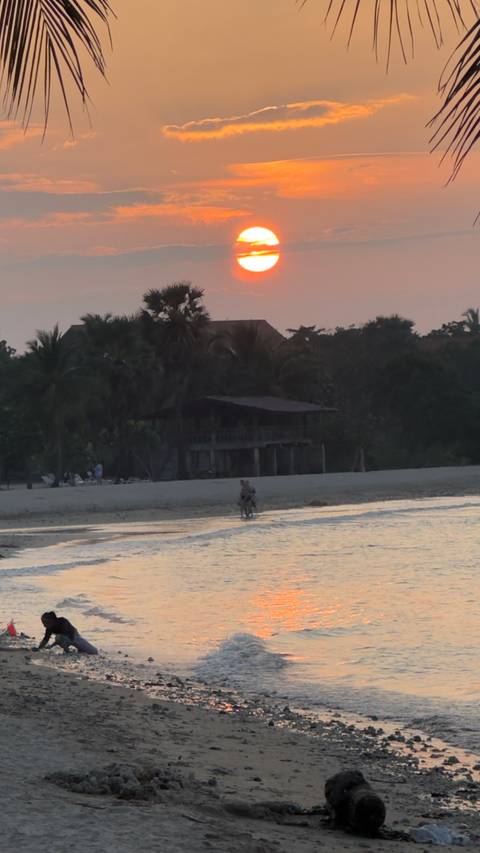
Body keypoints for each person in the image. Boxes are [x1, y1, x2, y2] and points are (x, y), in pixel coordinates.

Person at [34, 611, 98, 655]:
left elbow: (68, 635)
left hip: (74, 636)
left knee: (93, 652)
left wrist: (53, 645)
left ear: (53, 621)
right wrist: (39, 648)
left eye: (46, 623)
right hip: (63, 639)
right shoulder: (49, 628)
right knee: (59, 638)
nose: (44, 625)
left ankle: (78, 649)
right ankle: (70, 650)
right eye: (43, 623)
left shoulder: (62, 621)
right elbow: (45, 639)